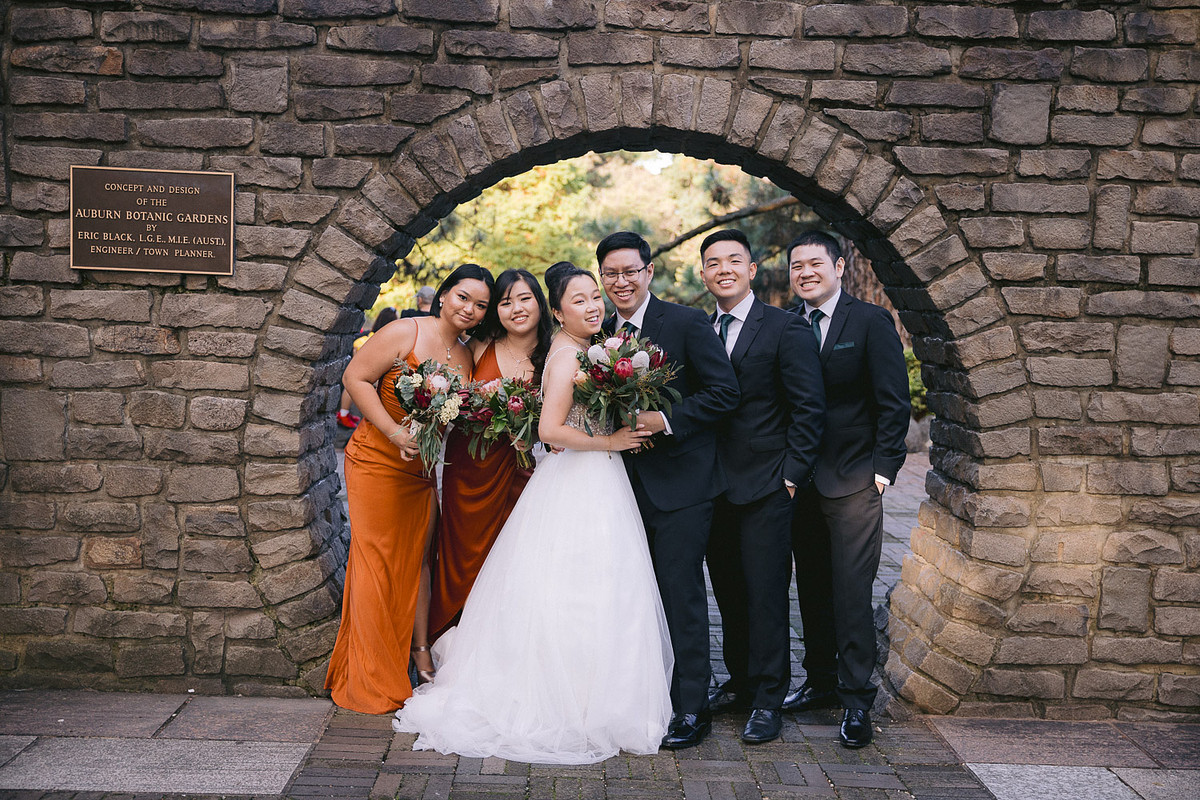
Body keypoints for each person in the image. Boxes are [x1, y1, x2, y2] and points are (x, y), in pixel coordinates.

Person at [393, 263, 671, 764]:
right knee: (562, 583)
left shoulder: (588, 350)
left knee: (596, 585)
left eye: (595, 298)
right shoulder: (565, 355)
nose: (592, 306)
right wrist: (610, 439)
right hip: (570, 471)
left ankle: (599, 693)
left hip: (585, 475)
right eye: (579, 300)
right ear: (559, 310)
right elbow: (550, 428)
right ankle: (561, 695)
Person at [325, 265, 493, 714]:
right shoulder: (404, 332)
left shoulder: (466, 359)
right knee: (378, 561)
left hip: (421, 473)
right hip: (377, 461)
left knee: (419, 559)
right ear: (443, 297)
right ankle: (372, 673)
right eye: (463, 297)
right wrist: (393, 433)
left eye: (480, 305)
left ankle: (418, 652)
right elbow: (354, 379)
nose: (470, 310)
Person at [596, 231, 740, 750]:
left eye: (630, 271)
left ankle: (690, 708)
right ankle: (644, 695)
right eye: (611, 274)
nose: (621, 282)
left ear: (649, 272)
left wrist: (665, 419)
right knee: (636, 598)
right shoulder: (598, 333)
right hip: (620, 489)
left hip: (683, 486)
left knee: (681, 596)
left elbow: (725, 393)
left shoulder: (684, 322)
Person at [782, 231, 910, 749]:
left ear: (838, 266)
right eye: (796, 266)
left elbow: (893, 400)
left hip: (855, 476)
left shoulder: (869, 322)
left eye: (815, 263)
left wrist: (885, 467)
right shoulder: (789, 324)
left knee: (851, 590)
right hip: (800, 480)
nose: (805, 272)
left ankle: (857, 700)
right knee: (810, 586)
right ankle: (819, 681)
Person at [698, 229, 825, 744]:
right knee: (727, 592)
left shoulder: (784, 328)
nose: (723, 268)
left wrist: (792, 477)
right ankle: (743, 681)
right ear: (703, 274)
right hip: (714, 487)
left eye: (734, 260)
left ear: (752, 270)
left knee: (767, 594)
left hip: (770, 486)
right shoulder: (702, 330)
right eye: (712, 262)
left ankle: (770, 696)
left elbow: (809, 408)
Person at [428, 269, 553, 638]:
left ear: (539, 302)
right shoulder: (479, 347)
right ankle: (445, 631)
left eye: (524, 298)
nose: (516, 308)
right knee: (459, 551)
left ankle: (496, 639)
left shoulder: (556, 352)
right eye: (505, 302)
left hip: (520, 471)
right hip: (468, 467)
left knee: (510, 556)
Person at [338, 307, 399, 429]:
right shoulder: (386, 339)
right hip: (374, 377)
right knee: (355, 379)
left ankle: (344, 413)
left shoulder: (367, 337)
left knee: (352, 379)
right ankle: (344, 414)